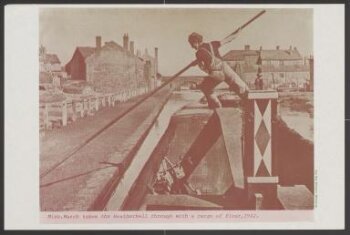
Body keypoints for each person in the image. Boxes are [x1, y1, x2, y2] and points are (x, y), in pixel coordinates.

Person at [188, 31, 249, 108]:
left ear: (196, 42)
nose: (192, 47)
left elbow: (202, 66)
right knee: (240, 86)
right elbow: (227, 40)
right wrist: (237, 33)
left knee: (205, 88)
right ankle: (249, 101)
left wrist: (195, 64)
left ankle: (216, 105)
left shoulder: (198, 53)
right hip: (225, 68)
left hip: (216, 73)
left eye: (192, 44)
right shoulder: (212, 44)